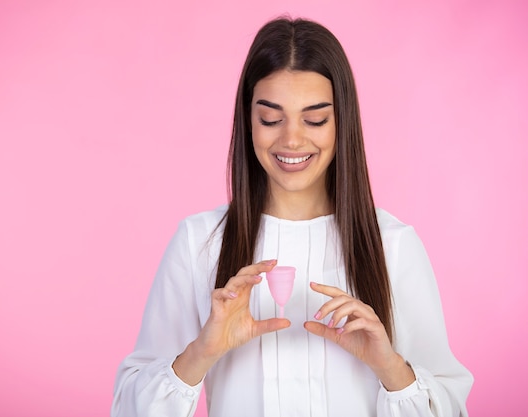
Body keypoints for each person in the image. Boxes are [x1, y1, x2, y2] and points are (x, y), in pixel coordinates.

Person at [111, 16, 473, 417]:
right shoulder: (199, 242)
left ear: (342, 122)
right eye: (271, 118)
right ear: (248, 119)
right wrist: (202, 352)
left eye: (315, 119)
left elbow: (449, 409)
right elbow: (131, 408)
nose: (292, 140)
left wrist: (388, 365)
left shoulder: (394, 245)